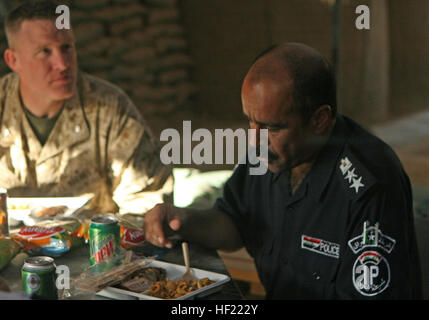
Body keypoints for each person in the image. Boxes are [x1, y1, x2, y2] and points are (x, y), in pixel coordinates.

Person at [143, 42, 423, 299]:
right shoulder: (268, 154)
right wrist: (183, 220)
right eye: (250, 122)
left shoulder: (369, 185)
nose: (255, 139)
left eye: (271, 127)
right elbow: (234, 222)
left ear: (319, 120)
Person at [0, 1, 173, 215]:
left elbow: (148, 201)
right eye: (45, 51)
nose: (63, 64)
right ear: (13, 60)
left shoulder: (109, 108)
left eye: (67, 48)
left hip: (94, 244)